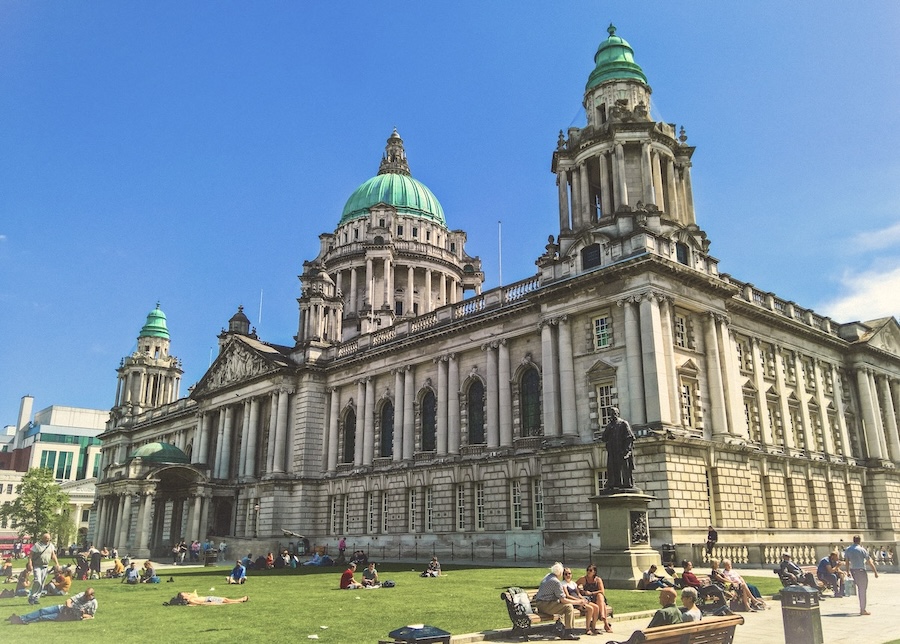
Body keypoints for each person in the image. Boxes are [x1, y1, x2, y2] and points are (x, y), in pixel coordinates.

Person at [531, 562, 580, 641]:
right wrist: (578, 602)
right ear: (560, 573)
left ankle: (560, 627)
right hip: (546, 605)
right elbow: (563, 599)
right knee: (568, 607)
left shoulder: (547, 576)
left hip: (540, 604)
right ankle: (568, 632)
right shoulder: (556, 582)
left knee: (562, 606)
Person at [7, 587, 97, 624]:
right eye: (85, 595)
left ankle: (24, 621)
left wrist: (79, 614)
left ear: (92, 595)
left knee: (43, 617)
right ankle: (20, 618)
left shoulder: (93, 603)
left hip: (66, 615)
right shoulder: (82, 594)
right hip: (62, 608)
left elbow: (91, 615)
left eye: (87, 596)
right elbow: (68, 600)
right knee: (42, 610)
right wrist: (69, 607)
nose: (85, 597)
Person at [600, 407, 635, 489]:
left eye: (614, 413)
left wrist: (627, 450)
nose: (612, 415)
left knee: (624, 469)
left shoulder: (623, 423)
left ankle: (627, 484)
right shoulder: (610, 426)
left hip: (622, 451)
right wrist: (608, 429)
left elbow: (630, 437)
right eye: (611, 414)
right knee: (613, 468)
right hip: (613, 451)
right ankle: (614, 483)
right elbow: (604, 438)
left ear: (618, 414)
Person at [844, 535, 878, 615]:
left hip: (853, 571)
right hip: (861, 571)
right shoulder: (862, 550)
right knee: (862, 590)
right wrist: (875, 572)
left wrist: (847, 571)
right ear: (859, 541)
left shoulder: (848, 549)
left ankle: (862, 608)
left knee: (859, 589)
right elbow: (869, 562)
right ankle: (863, 609)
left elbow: (847, 562)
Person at [561, 566, 599, 635]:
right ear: (563, 575)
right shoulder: (563, 584)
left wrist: (582, 599)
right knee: (590, 609)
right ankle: (587, 629)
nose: (568, 575)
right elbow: (567, 596)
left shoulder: (573, 583)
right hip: (573, 602)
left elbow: (578, 594)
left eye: (569, 573)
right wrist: (578, 600)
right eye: (566, 574)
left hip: (579, 601)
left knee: (596, 607)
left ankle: (593, 627)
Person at [576, 563, 612, 633]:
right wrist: (582, 591)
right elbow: (574, 586)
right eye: (587, 570)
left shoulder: (598, 580)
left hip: (597, 598)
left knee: (600, 596)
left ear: (594, 572)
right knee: (602, 604)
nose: (588, 572)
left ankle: (602, 616)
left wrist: (591, 593)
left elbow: (602, 591)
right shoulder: (583, 579)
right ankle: (605, 623)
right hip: (589, 599)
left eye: (590, 570)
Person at [27, 532, 60, 605]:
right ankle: (31, 597)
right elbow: (30, 555)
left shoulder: (51, 545)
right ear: (43, 538)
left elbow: (53, 555)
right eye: (46, 538)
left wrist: (57, 563)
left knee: (42, 583)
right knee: (37, 581)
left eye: (49, 538)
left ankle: (36, 598)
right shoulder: (37, 545)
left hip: (45, 566)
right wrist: (30, 564)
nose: (48, 540)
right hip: (37, 565)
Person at [165, 590, 248, 606]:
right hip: (209, 599)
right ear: (183, 597)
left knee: (225, 600)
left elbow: (194, 594)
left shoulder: (190, 598)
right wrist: (210, 603)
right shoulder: (190, 600)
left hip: (208, 598)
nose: (187, 594)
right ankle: (240, 600)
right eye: (185, 594)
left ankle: (239, 600)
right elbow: (201, 603)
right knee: (225, 600)